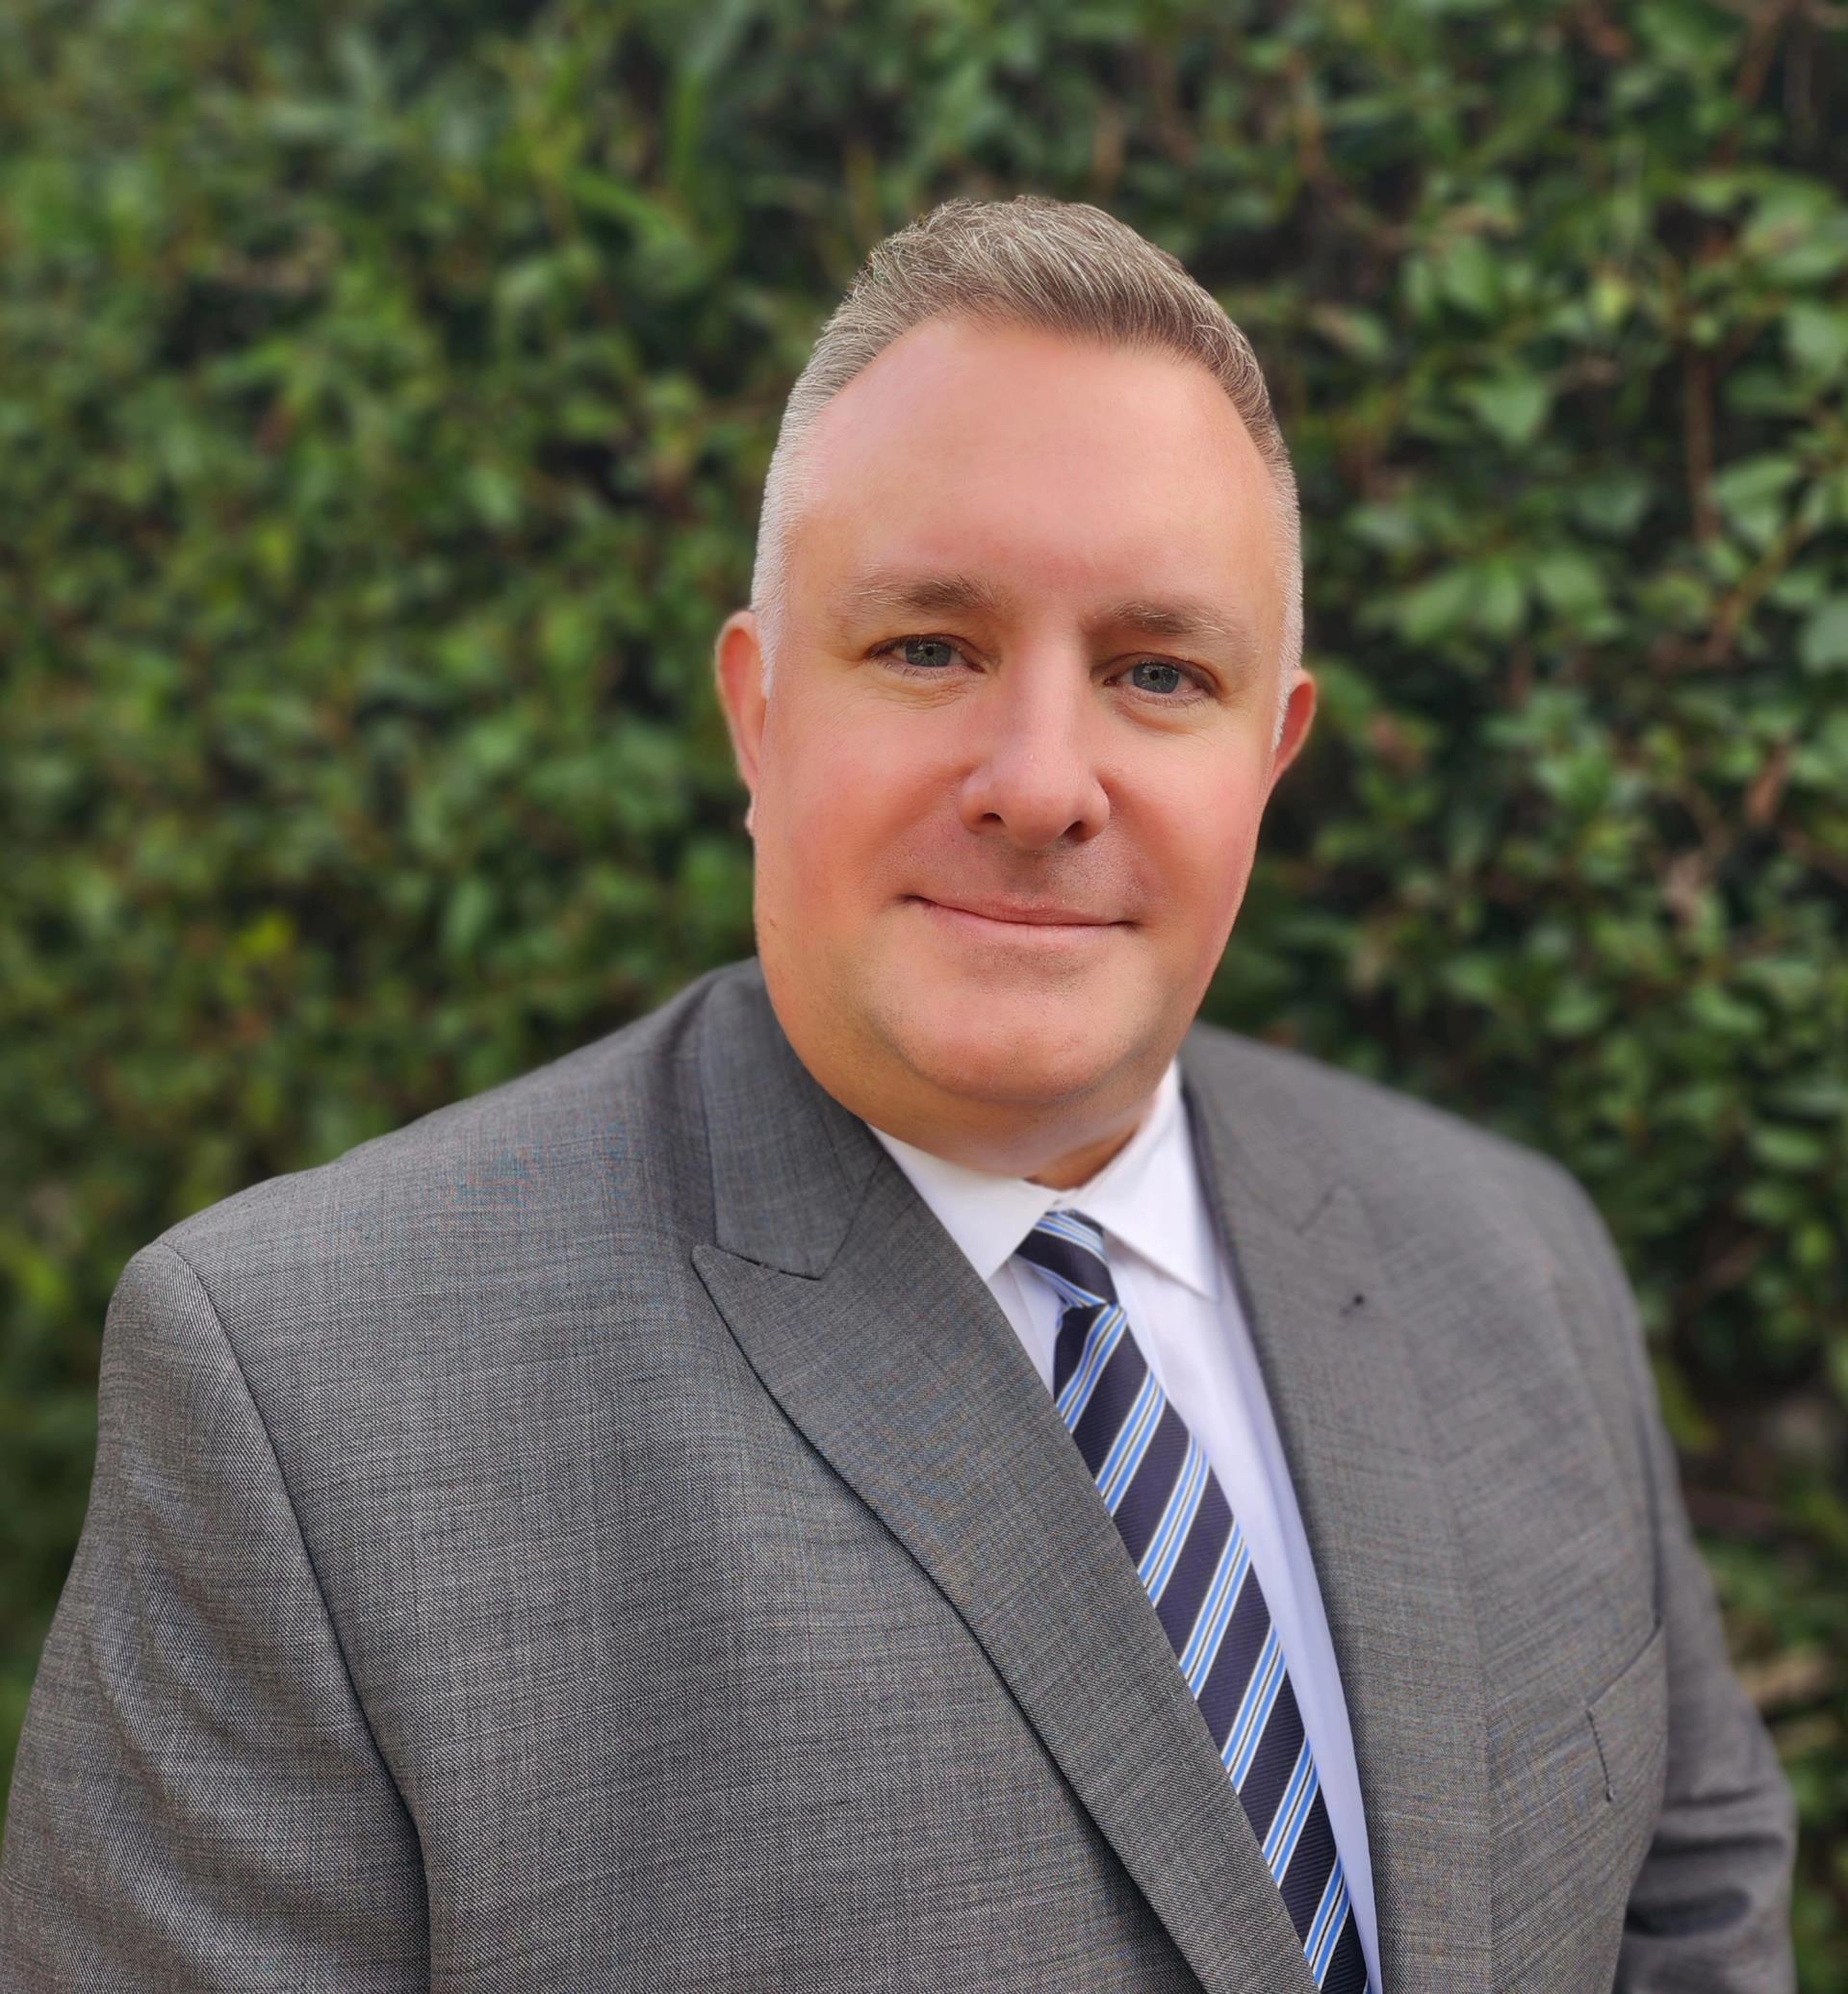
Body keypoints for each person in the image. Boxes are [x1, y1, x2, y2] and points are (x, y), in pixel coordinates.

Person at [0, 194, 1796, 1992]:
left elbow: (1693, 1905)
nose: (1039, 781)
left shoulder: (1512, 1254)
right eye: (929, 646)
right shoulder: (312, 1404)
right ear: (758, 712)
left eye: (1158, 674)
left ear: (1274, 754)